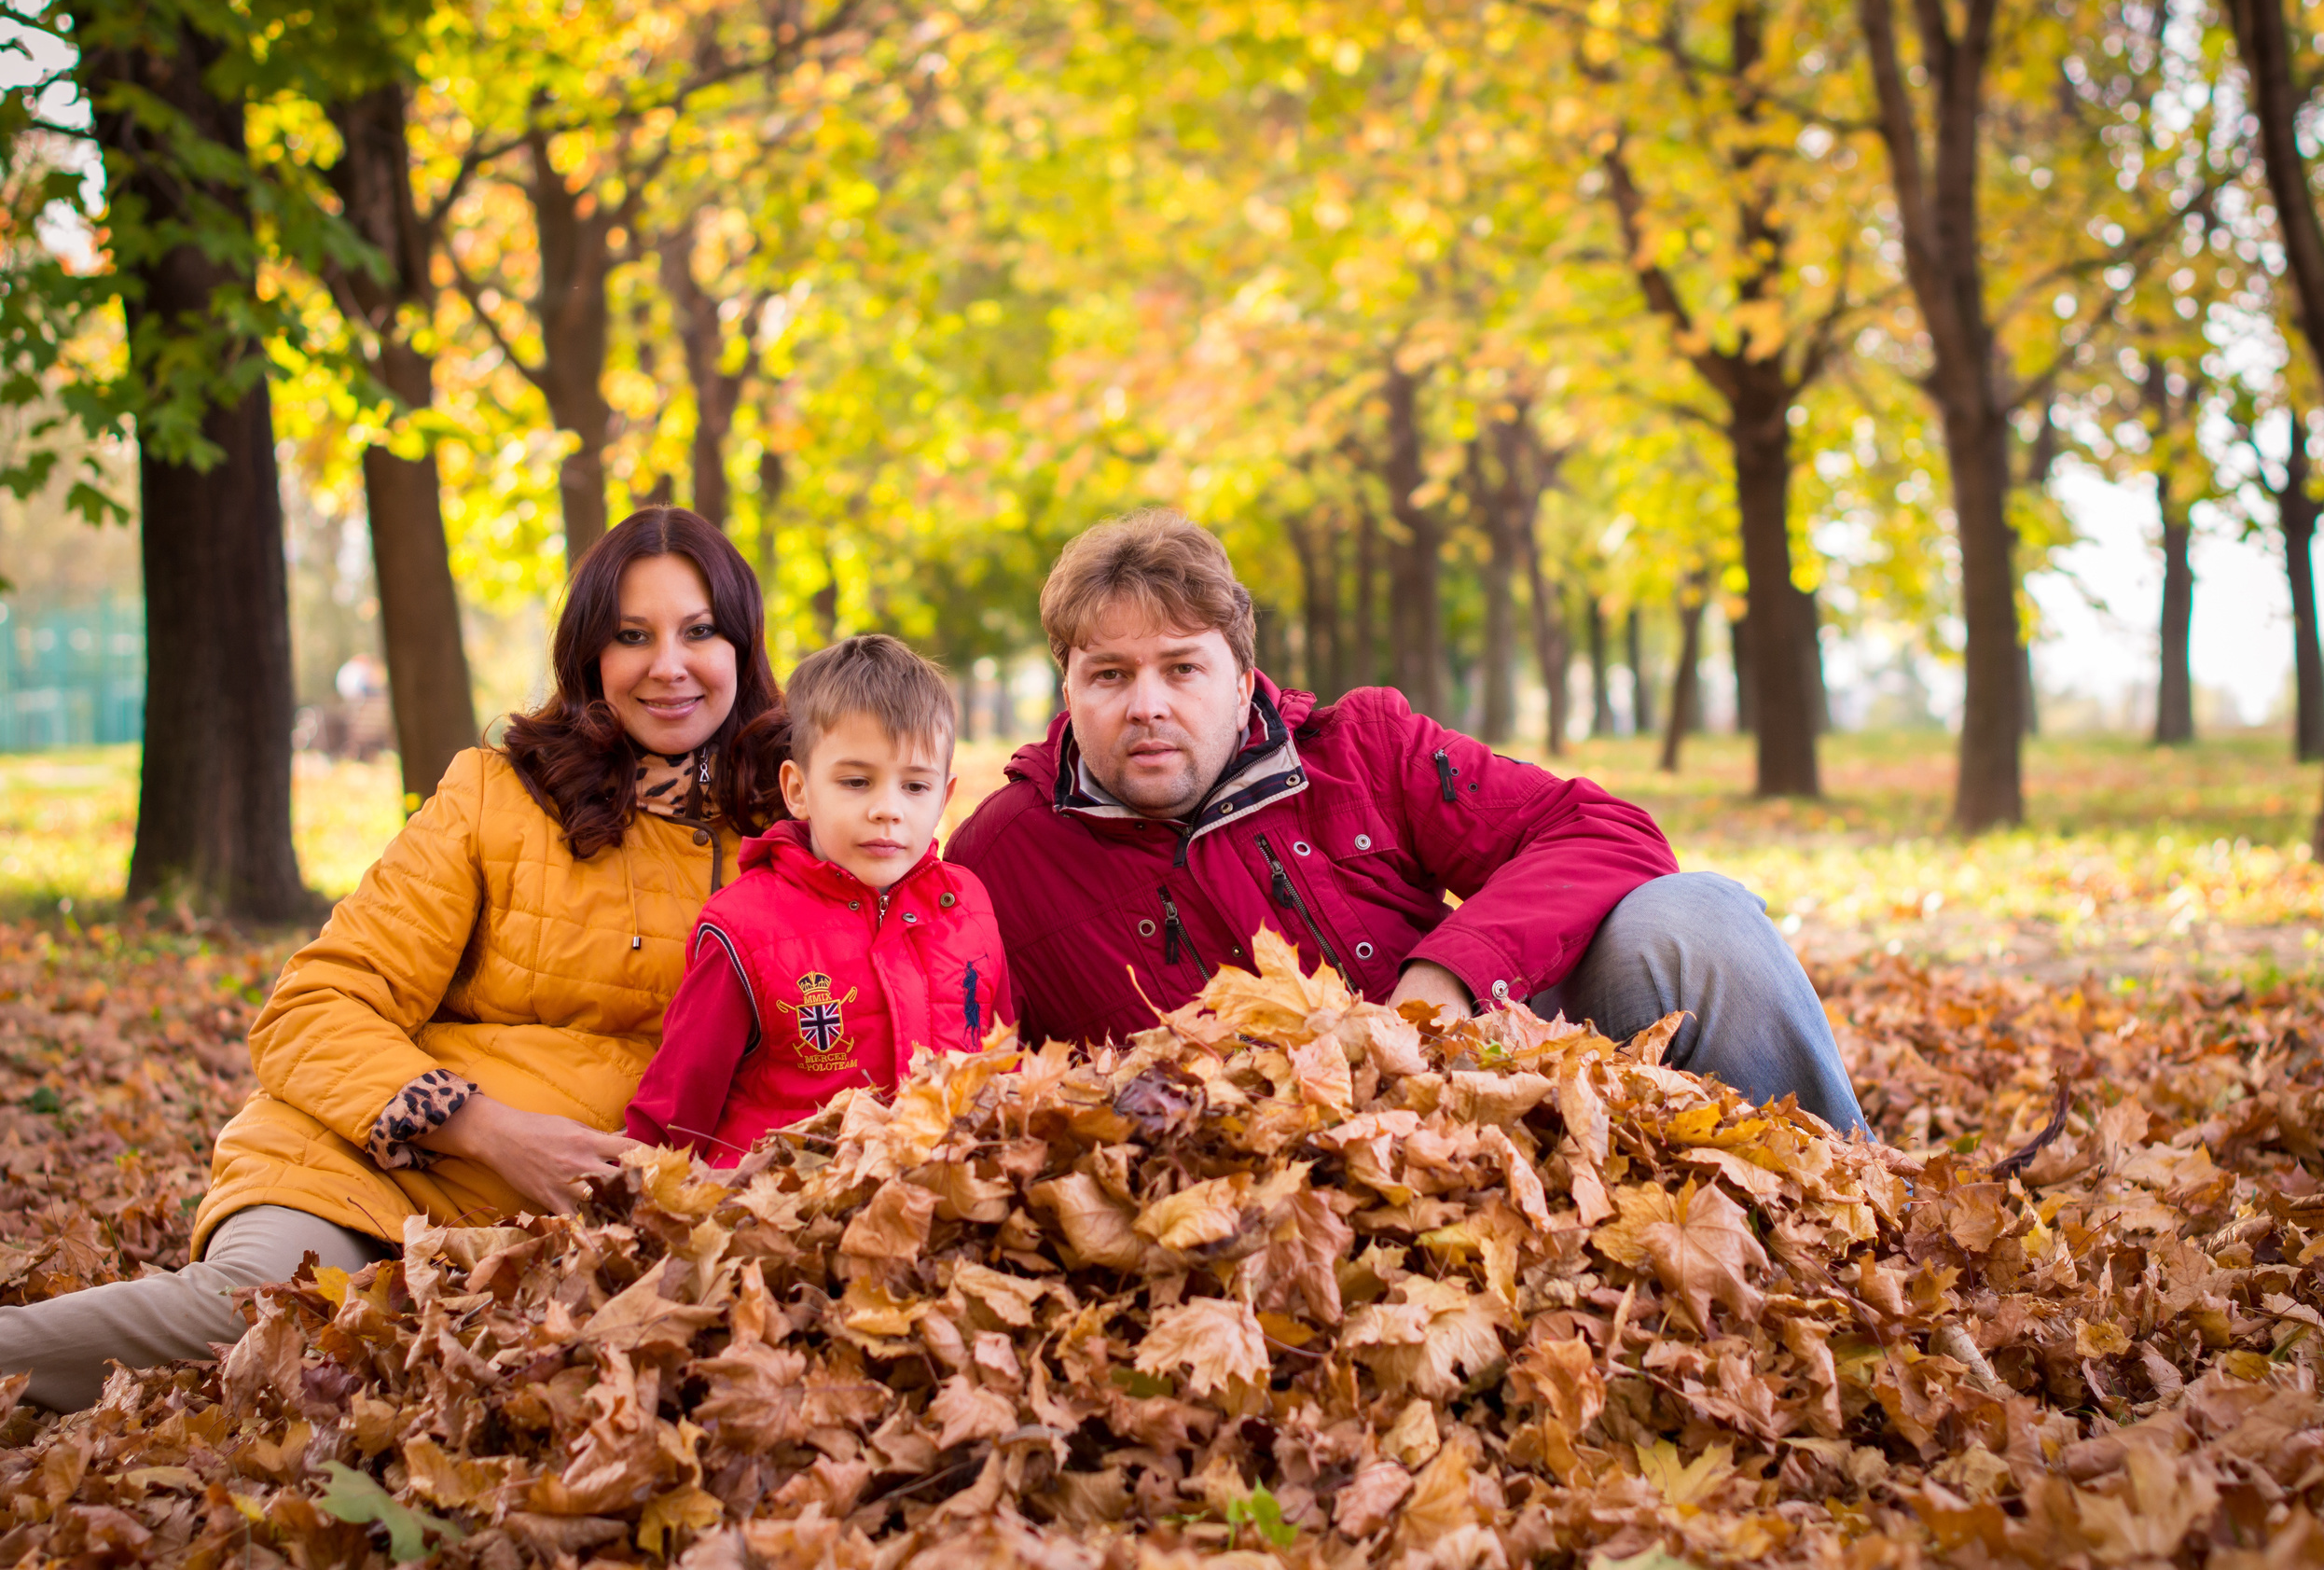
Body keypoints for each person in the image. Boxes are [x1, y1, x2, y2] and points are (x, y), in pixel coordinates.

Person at [0, 507, 785, 1411]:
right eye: (633, 636)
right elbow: (311, 1010)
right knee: (260, 1315)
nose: (668, 664)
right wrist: (487, 1129)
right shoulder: (497, 798)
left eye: (699, 632)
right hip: (368, 1175)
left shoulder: (795, 830)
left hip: (561, 1244)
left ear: (742, 647)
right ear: (590, 657)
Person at [947, 510, 1869, 1136]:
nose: (1146, 704)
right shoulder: (999, 856)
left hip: (1497, 1111)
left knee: (1694, 914)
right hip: (1251, 1219)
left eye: (1181, 668)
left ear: (1241, 676)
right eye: (1109, 674)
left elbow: (1605, 831)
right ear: (1068, 685)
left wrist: (1448, 975)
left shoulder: (1362, 750)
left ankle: (1856, 1209)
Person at [625, 636, 1010, 1165]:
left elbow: (1003, 1067)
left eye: (915, 787)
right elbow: (675, 1110)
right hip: (781, 1205)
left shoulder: (968, 907)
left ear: (944, 796)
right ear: (798, 790)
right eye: (857, 781)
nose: (887, 810)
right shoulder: (743, 928)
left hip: (938, 1196)